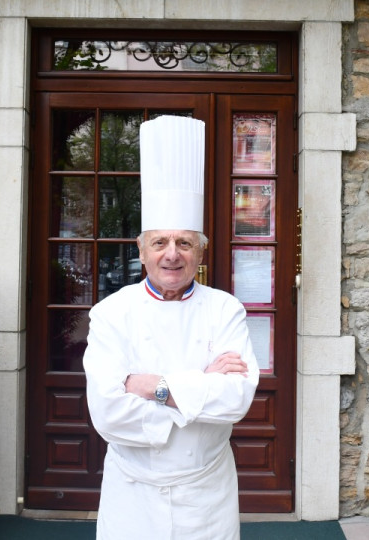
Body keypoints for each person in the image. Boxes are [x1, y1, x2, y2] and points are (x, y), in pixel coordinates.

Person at [83, 115, 260, 540]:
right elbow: (108, 414)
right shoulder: (110, 313)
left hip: (205, 493)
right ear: (142, 251)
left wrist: (154, 387)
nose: (172, 254)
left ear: (201, 252)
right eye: (160, 242)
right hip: (133, 494)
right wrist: (199, 388)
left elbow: (236, 399)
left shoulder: (226, 309)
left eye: (184, 242)